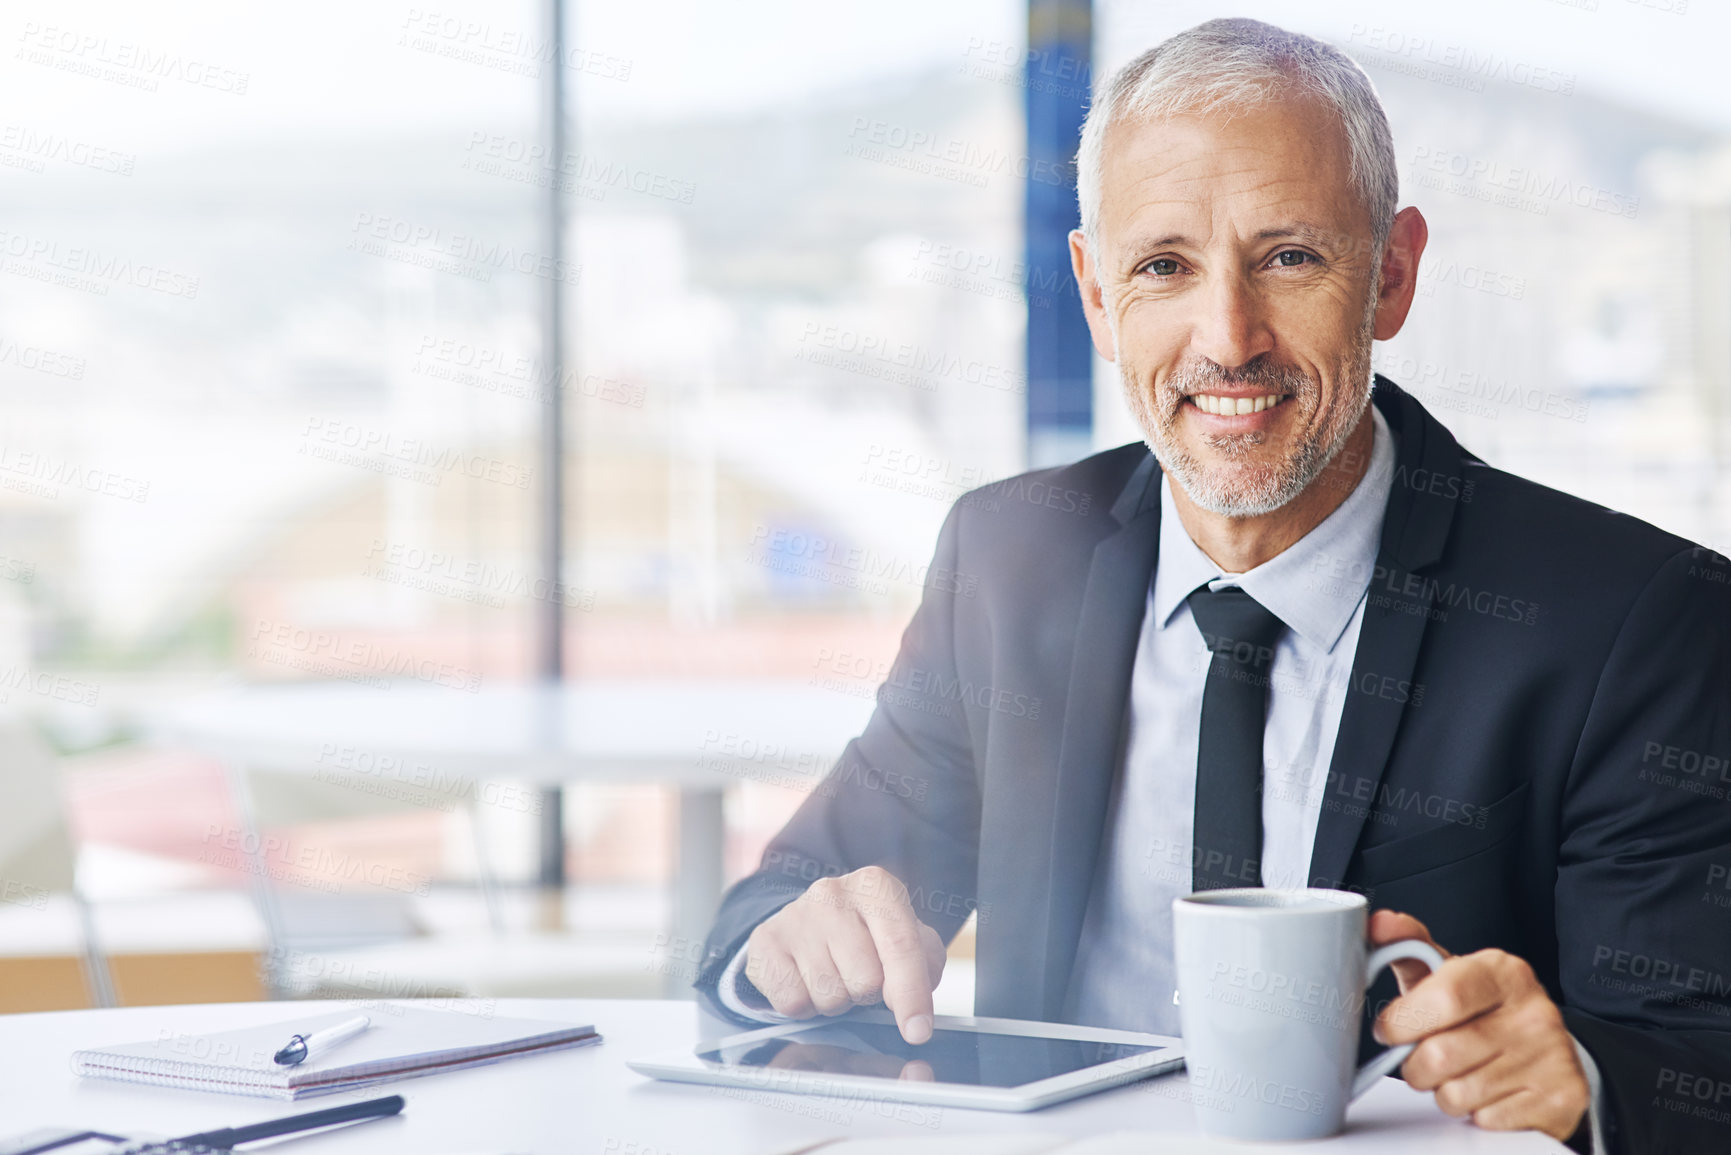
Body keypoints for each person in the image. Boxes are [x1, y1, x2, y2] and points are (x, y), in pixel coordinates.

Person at [696, 18, 1731, 1153]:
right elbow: (767, 919)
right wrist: (789, 945)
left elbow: (1696, 1064)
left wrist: (1579, 1077)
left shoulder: (1637, 619)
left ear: (1390, 274)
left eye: (1290, 257)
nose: (1228, 338)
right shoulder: (1006, 561)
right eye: (1164, 267)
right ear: (1097, 295)